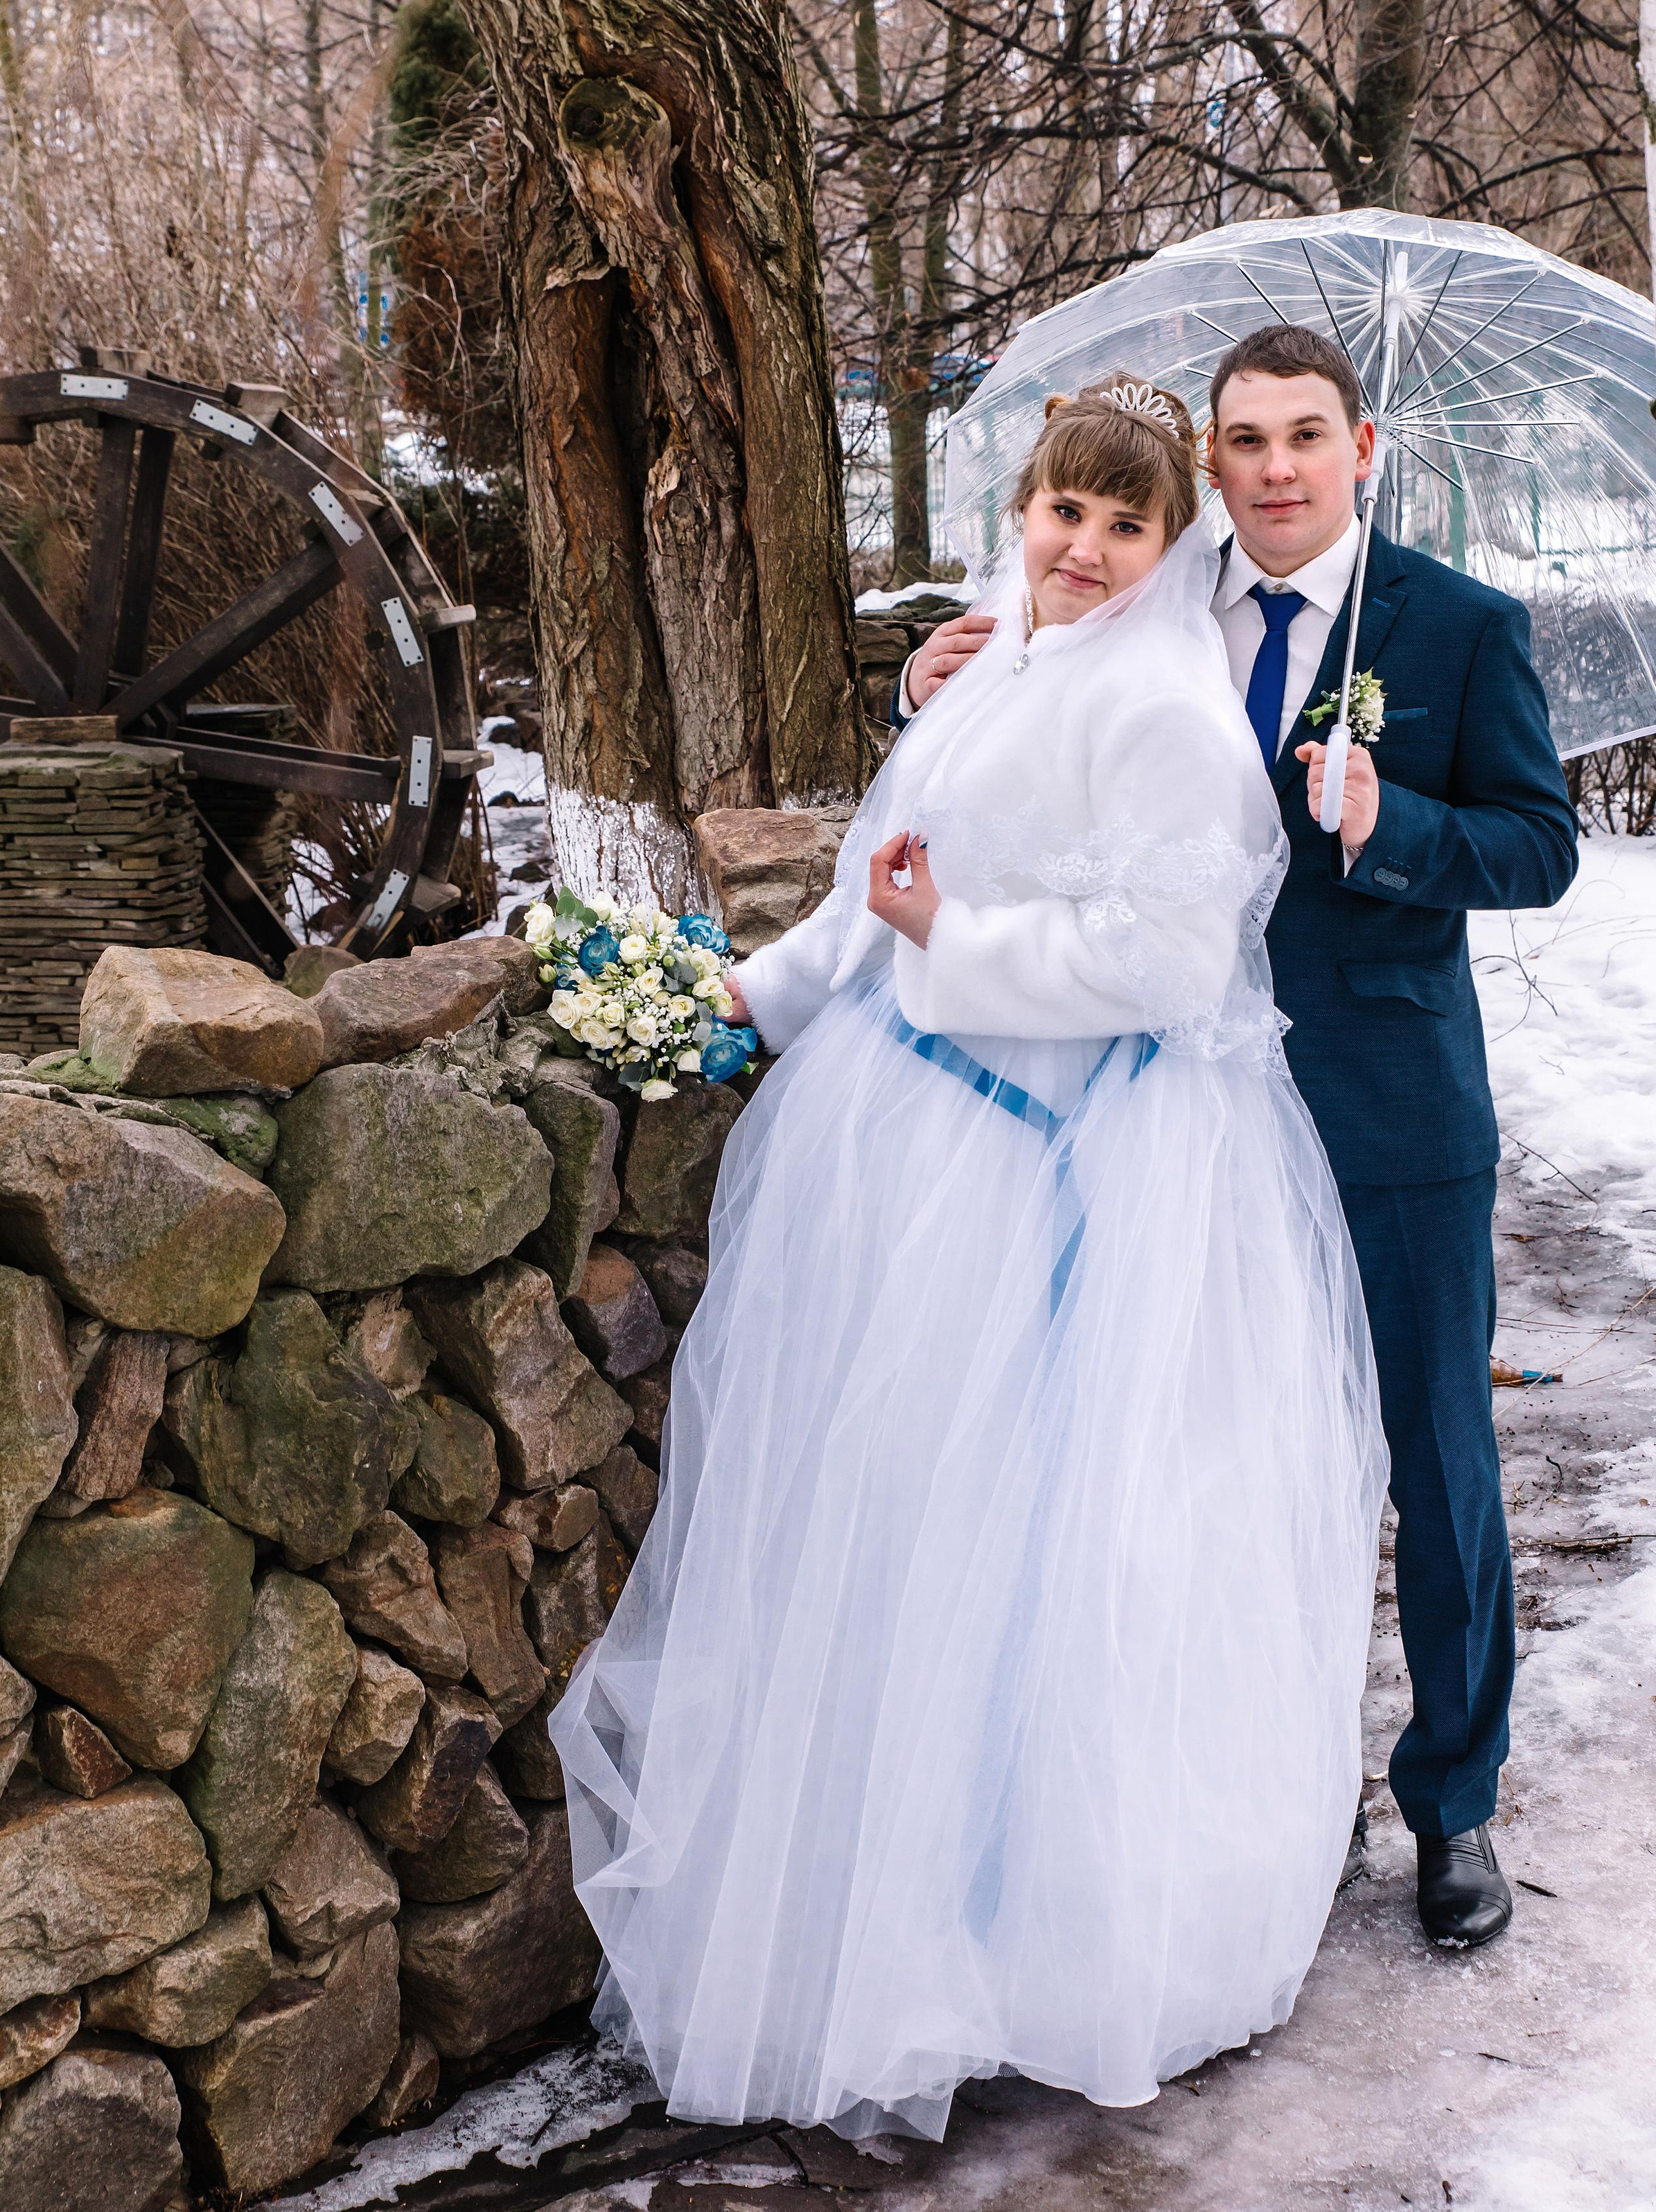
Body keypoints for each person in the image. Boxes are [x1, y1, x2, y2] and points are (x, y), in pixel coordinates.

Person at [556, 383, 1387, 2141]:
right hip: (907, 1135)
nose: (1078, 552)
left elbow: (1165, 963)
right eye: (1057, 514)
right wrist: (763, 991)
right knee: (876, 1523)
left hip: (1039, 1167)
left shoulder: (1169, 710)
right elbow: (884, 863)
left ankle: (1010, 1939)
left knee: (1015, 1546)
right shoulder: (997, 654)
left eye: (1120, 526)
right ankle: (870, 1899)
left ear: (1173, 547)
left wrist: (962, 942)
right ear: (1016, 509)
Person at [899, 322, 1580, 1950]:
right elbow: (1036, 718)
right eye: (1245, 441)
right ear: (1209, 461)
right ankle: (1250, 1795)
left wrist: (1386, 820)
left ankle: (1452, 1802)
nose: (1273, 468)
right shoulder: (1145, 590)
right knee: (1195, 1459)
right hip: (1168, 1108)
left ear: (1361, 445)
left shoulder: (1458, 627)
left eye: (1303, 436)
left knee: (1432, 1457)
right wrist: (937, 675)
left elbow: (1539, 846)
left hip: (1384, 1107)